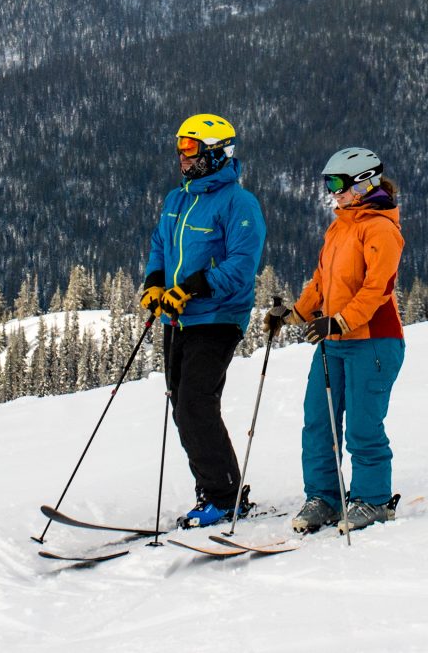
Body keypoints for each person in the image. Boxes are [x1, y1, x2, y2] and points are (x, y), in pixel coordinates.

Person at [264, 145, 405, 535]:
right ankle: (324, 498)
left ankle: (373, 501)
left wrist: (340, 321)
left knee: (363, 426)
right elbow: (323, 281)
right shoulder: (341, 225)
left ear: (365, 182)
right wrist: (295, 314)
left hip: (373, 341)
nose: (333, 192)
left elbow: (378, 288)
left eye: (339, 183)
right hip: (335, 341)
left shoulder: (380, 228)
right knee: (319, 424)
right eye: (328, 183)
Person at [138, 111, 265, 530]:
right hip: (177, 319)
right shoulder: (178, 199)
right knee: (182, 404)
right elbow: (160, 245)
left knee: (195, 401)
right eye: (179, 147)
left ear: (215, 153)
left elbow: (240, 268)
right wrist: (155, 283)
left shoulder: (239, 204)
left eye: (190, 148)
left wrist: (191, 288)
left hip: (218, 316)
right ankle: (213, 488)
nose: (181, 156)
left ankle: (226, 496)